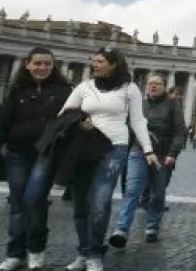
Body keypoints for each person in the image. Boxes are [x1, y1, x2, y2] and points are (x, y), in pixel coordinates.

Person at [54, 47, 157, 271]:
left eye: (100, 61)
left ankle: (94, 253)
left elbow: (138, 121)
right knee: (81, 202)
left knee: (101, 200)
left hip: (114, 148)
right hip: (84, 148)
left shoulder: (130, 89)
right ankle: (83, 251)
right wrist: (80, 119)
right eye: (94, 61)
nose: (94, 65)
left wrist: (148, 150)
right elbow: (64, 113)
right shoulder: (84, 87)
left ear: (114, 64)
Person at [0, 47, 72, 271]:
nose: (42, 68)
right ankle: (15, 253)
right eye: (37, 63)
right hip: (17, 152)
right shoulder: (16, 92)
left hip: (45, 153)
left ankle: (36, 249)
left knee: (34, 199)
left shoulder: (64, 92)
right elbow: (0, 126)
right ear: (28, 64)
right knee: (18, 202)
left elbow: (71, 122)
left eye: (47, 64)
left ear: (53, 66)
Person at [109, 72, 186, 247]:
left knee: (157, 193)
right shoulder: (139, 105)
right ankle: (121, 230)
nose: (153, 86)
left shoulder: (173, 106)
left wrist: (172, 154)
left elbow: (179, 132)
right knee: (132, 190)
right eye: (150, 83)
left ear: (164, 87)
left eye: (157, 84)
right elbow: (128, 128)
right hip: (139, 151)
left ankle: (152, 227)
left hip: (162, 154)